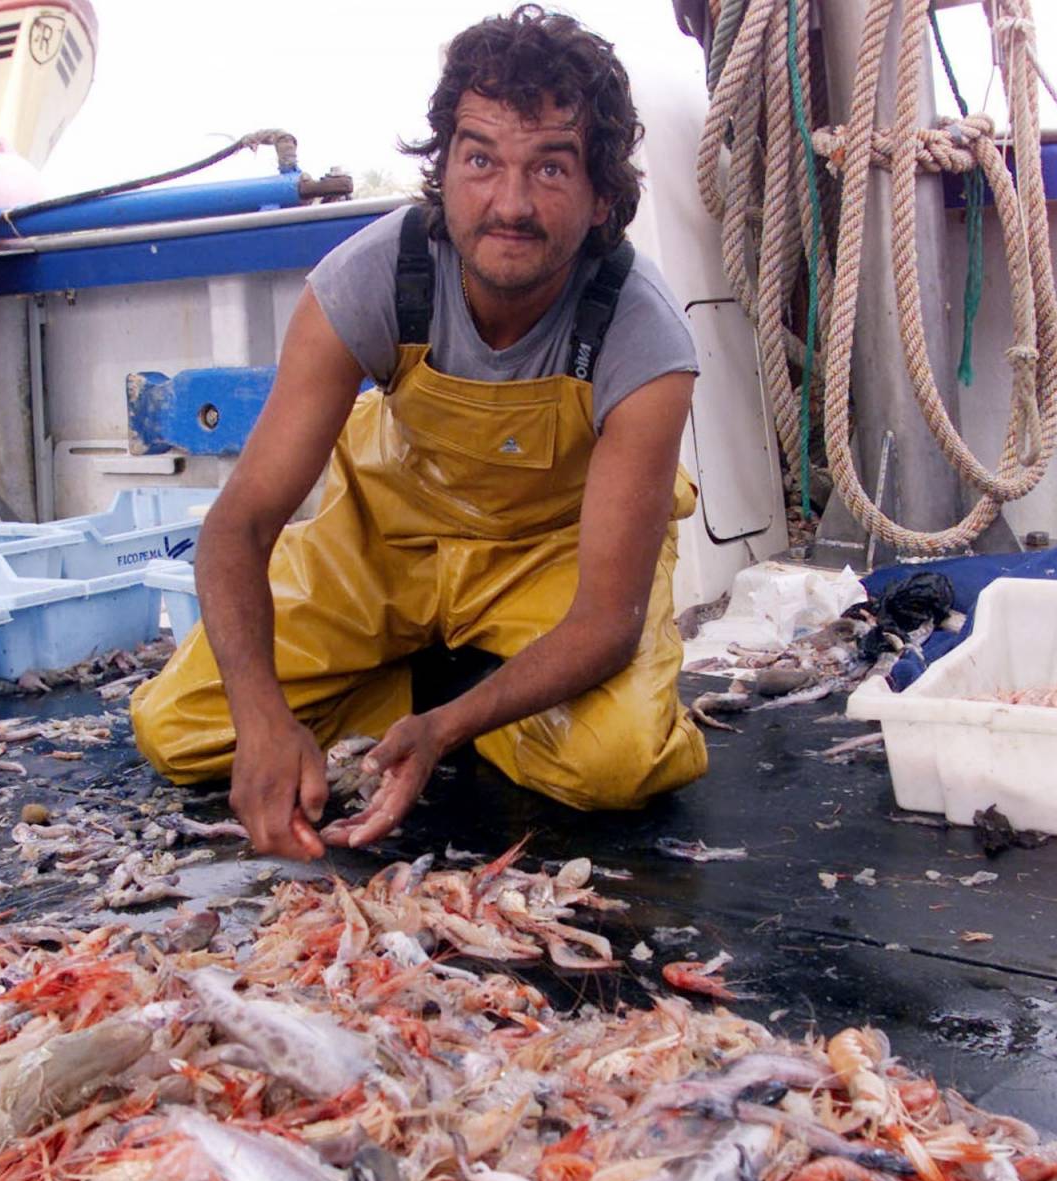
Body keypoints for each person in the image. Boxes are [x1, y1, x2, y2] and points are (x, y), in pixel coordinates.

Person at [131, 4, 708, 860]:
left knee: (616, 763)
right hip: (387, 546)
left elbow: (604, 619)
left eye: (550, 168)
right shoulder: (369, 279)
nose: (508, 203)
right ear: (443, 168)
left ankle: (455, 699)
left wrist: (445, 727)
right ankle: (425, 678)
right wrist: (261, 723)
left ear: (601, 199)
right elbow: (240, 524)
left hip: (546, 562)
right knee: (180, 729)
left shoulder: (643, 334)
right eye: (480, 159)